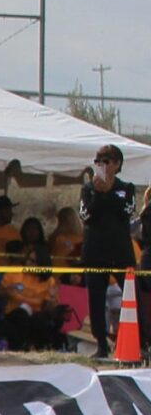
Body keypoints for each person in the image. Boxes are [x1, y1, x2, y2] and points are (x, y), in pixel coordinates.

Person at [78, 143, 137, 359]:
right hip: (95, 252)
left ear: (117, 164)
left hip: (121, 252)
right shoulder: (88, 189)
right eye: (98, 161)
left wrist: (109, 191)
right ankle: (101, 343)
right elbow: (86, 216)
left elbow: (127, 211)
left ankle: (142, 342)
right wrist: (99, 194)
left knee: (133, 296)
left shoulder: (127, 188)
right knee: (96, 299)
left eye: (106, 161)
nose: (101, 165)